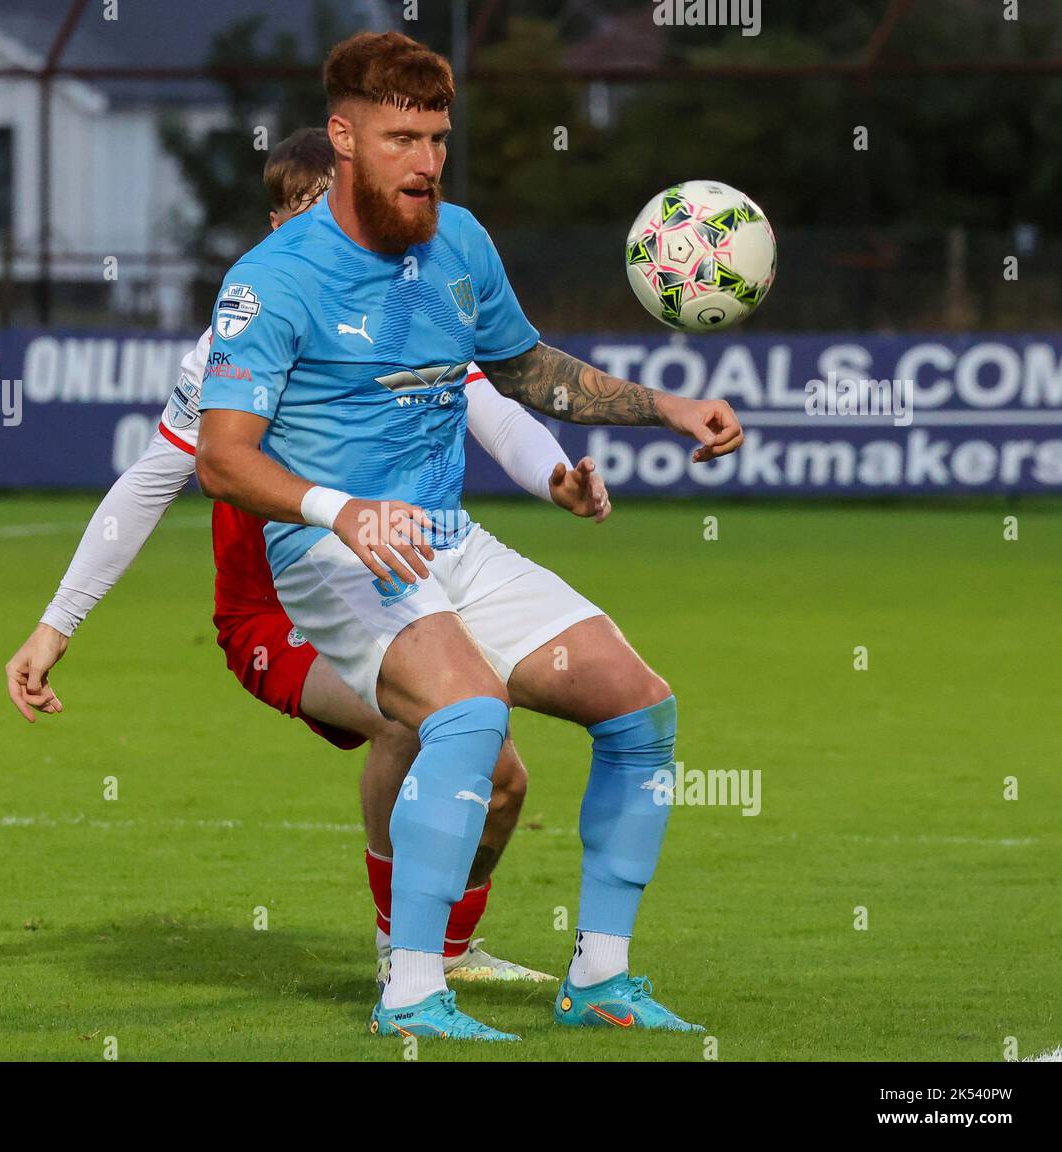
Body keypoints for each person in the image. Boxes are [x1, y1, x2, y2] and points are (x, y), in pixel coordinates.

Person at [195, 33, 743, 1041]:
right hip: (334, 553)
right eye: (403, 136)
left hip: (450, 537)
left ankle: (601, 978)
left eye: (438, 137)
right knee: (465, 714)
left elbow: (529, 371)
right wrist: (341, 511)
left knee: (641, 710)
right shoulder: (273, 278)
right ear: (343, 136)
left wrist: (664, 405)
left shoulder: (460, 242)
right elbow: (220, 458)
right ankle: (411, 986)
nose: (427, 160)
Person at [5, 127, 612, 990]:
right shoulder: (241, 333)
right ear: (276, 221)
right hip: (275, 618)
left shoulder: (406, 312)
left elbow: (489, 403)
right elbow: (150, 482)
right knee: (425, 723)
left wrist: (556, 474)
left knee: (503, 782)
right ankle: (400, 952)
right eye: (297, 210)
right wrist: (56, 624)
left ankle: (448, 951)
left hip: (387, 588)